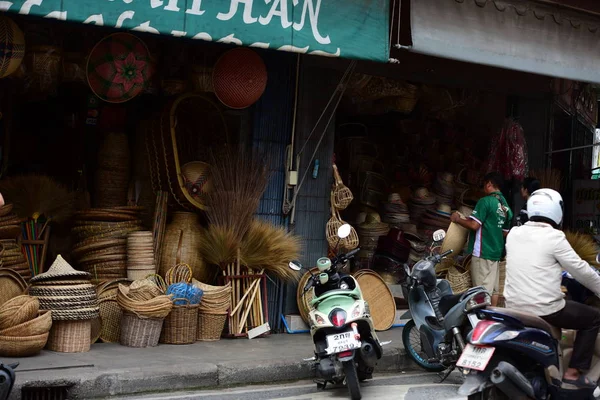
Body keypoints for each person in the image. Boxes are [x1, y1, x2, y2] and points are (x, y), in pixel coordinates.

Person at [505, 188, 600, 388]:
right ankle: (573, 374)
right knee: (593, 318)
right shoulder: (555, 237)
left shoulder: (514, 233)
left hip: (513, 307)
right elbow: (582, 271)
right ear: (557, 212)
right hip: (545, 310)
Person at [450, 172, 512, 307]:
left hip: (482, 252)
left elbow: (474, 225)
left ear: (489, 184)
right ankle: (492, 318)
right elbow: (504, 233)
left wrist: (458, 219)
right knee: (494, 290)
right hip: (496, 253)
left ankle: (482, 321)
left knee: (480, 292)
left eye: (484, 184)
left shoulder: (485, 202)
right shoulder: (505, 206)